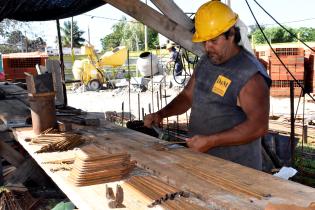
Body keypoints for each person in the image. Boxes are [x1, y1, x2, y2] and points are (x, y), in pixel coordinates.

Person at [144, 0, 271, 170]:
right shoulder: (207, 61)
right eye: (204, 42)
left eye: (213, 41)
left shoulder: (250, 74)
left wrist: (212, 141)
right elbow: (188, 96)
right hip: (202, 161)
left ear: (231, 34)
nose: (207, 47)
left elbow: (258, 127)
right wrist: (162, 113)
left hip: (236, 170)